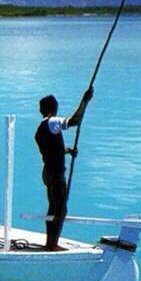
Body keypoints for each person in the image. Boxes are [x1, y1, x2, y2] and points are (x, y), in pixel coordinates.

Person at [34, 87, 94, 250]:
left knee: (53, 207)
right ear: (54, 108)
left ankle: (49, 242)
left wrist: (66, 150)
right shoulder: (52, 122)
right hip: (55, 174)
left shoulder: (41, 128)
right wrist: (84, 101)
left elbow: (51, 150)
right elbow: (75, 120)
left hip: (47, 172)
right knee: (61, 209)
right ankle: (52, 244)